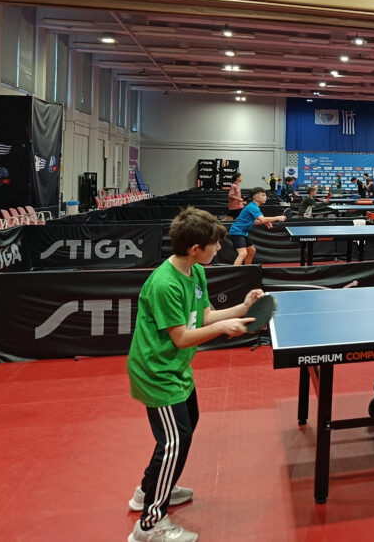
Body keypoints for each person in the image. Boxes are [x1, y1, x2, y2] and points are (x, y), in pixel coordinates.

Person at [126, 207, 265, 542]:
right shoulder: (165, 284)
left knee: (184, 430)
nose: (219, 248)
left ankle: (151, 489)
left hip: (177, 368)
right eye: (214, 244)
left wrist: (243, 308)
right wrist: (224, 329)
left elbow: (203, 317)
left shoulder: (196, 271)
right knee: (174, 441)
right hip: (156, 371)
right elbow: (181, 337)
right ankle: (149, 525)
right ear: (194, 249)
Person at [228, 187, 287, 265]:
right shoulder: (252, 207)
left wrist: (265, 222)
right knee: (243, 253)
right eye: (263, 195)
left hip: (243, 232)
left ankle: (247, 269)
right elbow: (263, 219)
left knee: (251, 251)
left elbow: (254, 222)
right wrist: (278, 217)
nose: (266, 197)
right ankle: (235, 271)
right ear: (256, 198)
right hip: (237, 231)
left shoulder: (254, 206)